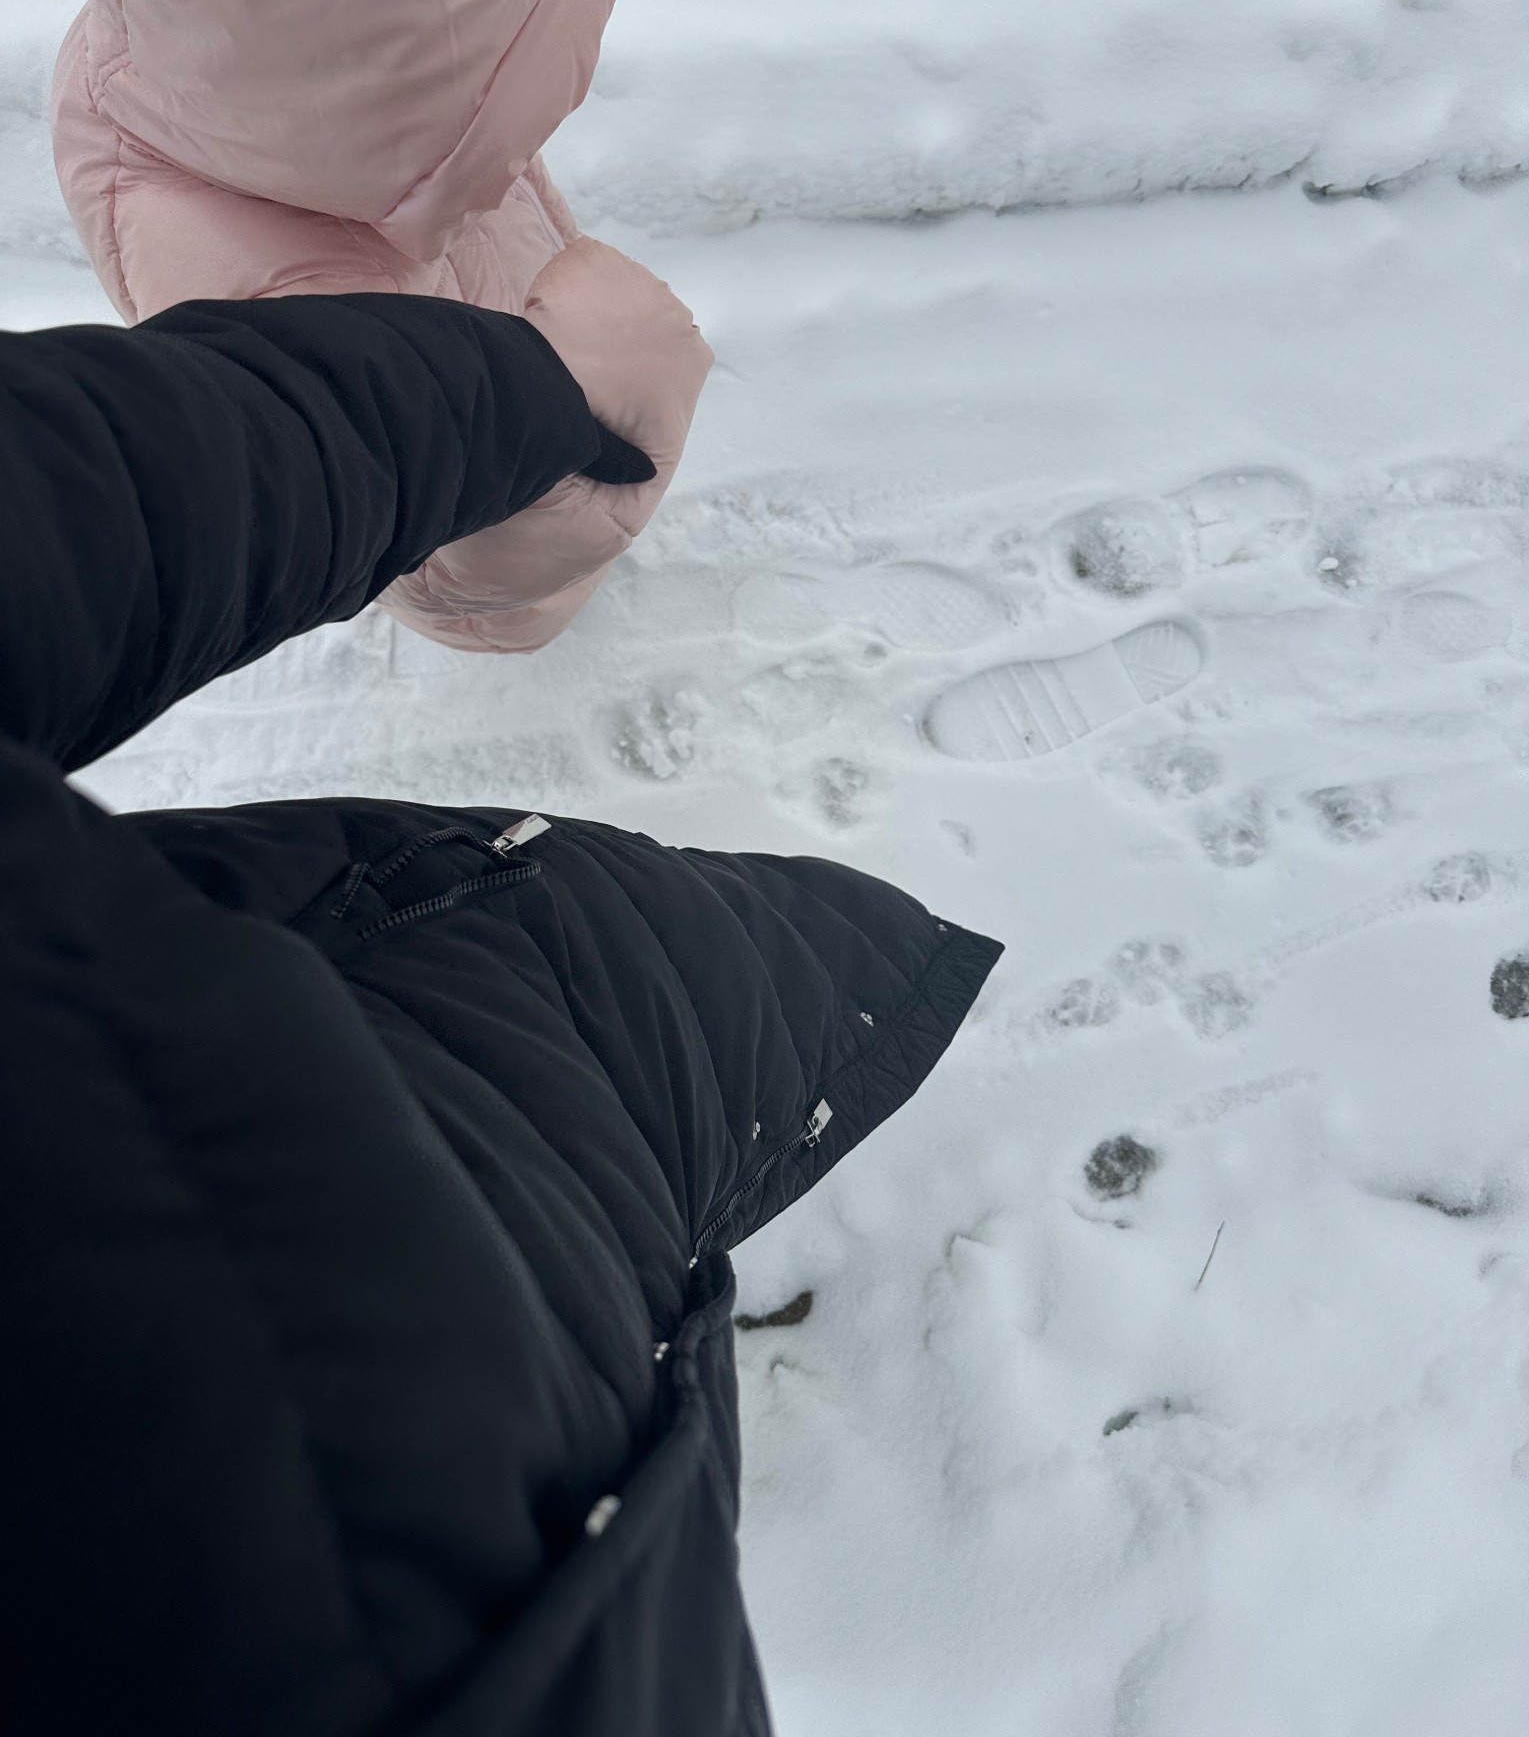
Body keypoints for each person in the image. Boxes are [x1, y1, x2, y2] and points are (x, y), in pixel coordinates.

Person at [0, 288, 1003, 1735]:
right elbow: (128, 476)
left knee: (762, 977)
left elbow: (116, 485)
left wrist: (516, 395)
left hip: (334, 1137)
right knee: (749, 984)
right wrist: (521, 395)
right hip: (475, 1399)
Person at [52, 0, 711, 654]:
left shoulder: (226, 50)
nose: (543, 123)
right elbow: (432, 557)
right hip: (519, 547)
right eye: (505, 95)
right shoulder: (259, 280)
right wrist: (610, 414)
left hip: (509, 309)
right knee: (520, 602)